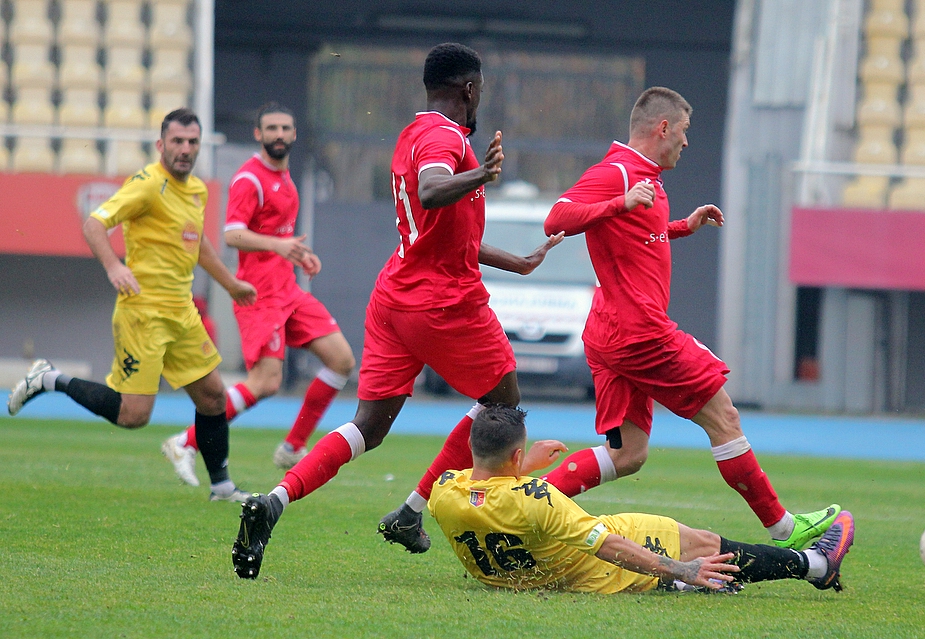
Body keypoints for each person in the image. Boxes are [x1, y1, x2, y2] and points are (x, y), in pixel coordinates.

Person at [230, 42, 562, 578]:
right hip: (444, 302)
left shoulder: (413, 133)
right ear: (469, 89)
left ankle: (275, 501)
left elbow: (442, 232)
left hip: (395, 296)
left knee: (368, 425)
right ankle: (444, 519)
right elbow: (431, 192)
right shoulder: (445, 137)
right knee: (503, 404)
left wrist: (517, 262)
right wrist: (481, 176)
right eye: (480, 90)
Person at [541, 87, 839, 549]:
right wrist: (619, 203)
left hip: (610, 330)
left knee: (628, 454)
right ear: (663, 128)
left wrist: (682, 226)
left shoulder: (647, 178)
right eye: (683, 130)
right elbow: (556, 218)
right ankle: (784, 528)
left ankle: (526, 505)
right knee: (725, 417)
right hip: (640, 333)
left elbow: (635, 234)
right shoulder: (618, 172)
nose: (686, 141)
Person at [6, 108, 257, 502]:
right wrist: (114, 266)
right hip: (143, 314)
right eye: (177, 141)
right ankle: (50, 378)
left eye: (192, 142)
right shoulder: (146, 185)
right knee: (133, 416)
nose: (185, 149)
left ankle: (222, 487)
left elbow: (198, 242)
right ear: (161, 145)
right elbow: (94, 224)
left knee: (213, 396)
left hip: (182, 312)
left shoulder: (197, 189)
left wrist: (230, 284)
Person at [429, 405, 855, 594]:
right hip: (590, 571)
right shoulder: (538, 499)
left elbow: (491, 495)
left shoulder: (444, 491)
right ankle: (815, 565)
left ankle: (677, 584)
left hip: (521, 573)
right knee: (704, 545)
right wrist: (682, 568)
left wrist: (522, 466)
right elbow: (608, 546)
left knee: (688, 554)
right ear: (516, 456)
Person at [161, 103, 357, 487]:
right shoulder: (249, 179)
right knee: (266, 382)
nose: (278, 135)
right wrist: (279, 246)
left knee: (341, 360)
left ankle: (293, 446)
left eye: (285, 128)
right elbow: (232, 234)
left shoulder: (285, 178)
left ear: (294, 134)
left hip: (288, 290)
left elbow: (278, 236)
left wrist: (298, 253)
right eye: (271, 128)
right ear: (258, 134)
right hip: (260, 295)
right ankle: (185, 442)